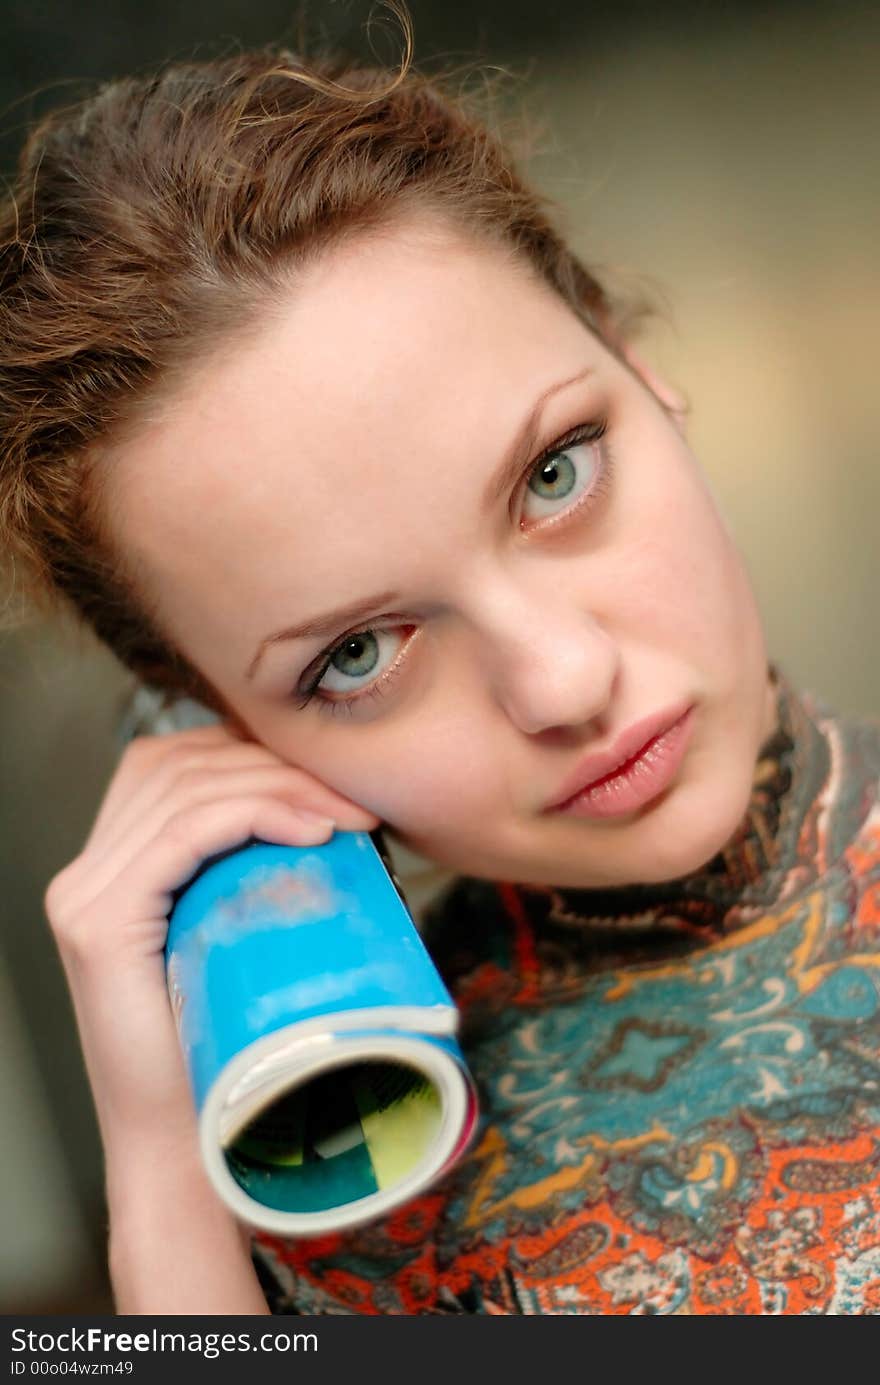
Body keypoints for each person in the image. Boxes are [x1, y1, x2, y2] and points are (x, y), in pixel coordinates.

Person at [2, 7, 879, 1316]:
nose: (566, 681)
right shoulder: (344, 1181)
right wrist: (163, 1179)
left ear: (640, 367)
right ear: (207, 721)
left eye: (554, 473)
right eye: (357, 651)